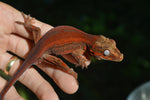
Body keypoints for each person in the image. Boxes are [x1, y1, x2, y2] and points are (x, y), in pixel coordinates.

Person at [0, 2, 78, 100]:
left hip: (41, 51)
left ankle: (3, 94)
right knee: (57, 62)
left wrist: (27, 24)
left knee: (37, 32)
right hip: (41, 53)